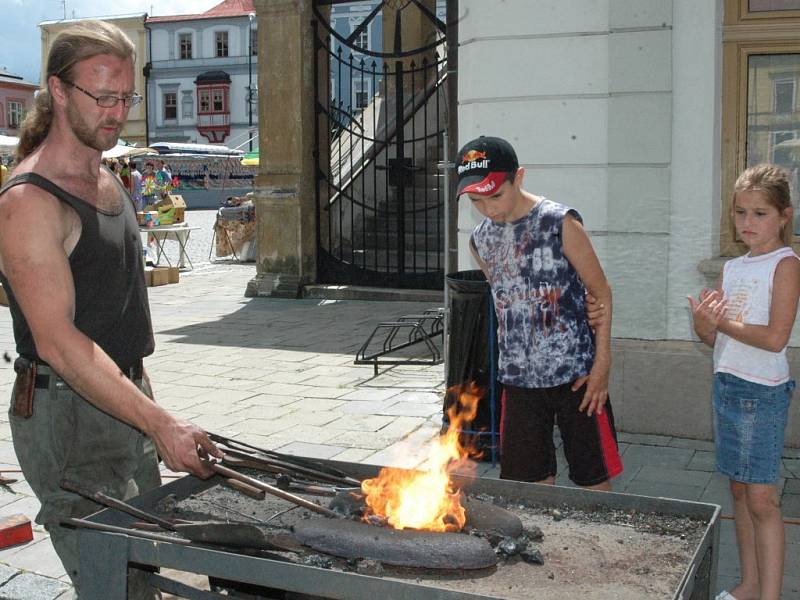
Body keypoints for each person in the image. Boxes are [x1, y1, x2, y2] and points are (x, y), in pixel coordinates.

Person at [0, 20, 221, 598]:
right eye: (103, 96)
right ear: (58, 90)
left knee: (158, 575)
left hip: (122, 398)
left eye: (125, 97)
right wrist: (161, 423)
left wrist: (145, 400)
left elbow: (111, 317)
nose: (116, 112)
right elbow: (60, 344)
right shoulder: (29, 202)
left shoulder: (104, 175)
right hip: (68, 415)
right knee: (116, 588)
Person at [456, 136, 622, 491]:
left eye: (495, 195)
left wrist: (602, 365)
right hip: (519, 381)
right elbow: (507, 301)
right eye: (476, 201)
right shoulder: (480, 239)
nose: (487, 208)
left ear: (519, 178)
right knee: (528, 488)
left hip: (576, 377)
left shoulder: (559, 223)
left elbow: (601, 293)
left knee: (594, 485)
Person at [688, 164, 799, 600]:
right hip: (728, 386)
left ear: (784, 216)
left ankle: (769, 595)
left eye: (759, 214)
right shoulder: (733, 268)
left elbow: (774, 339)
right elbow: (713, 336)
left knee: (762, 499)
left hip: (762, 392)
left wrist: (723, 322)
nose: (747, 223)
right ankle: (751, 585)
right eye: (740, 213)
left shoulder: (786, 265)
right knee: (739, 489)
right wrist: (703, 323)